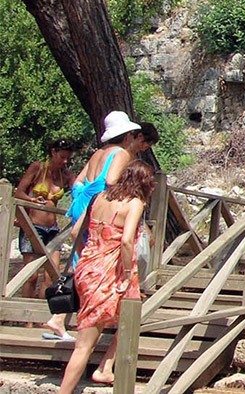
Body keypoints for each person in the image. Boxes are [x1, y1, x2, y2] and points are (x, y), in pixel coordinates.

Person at [44, 113, 156, 341]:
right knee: (97, 261)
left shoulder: (98, 153)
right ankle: (79, 316)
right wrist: (124, 200)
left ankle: (64, 316)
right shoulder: (121, 154)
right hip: (99, 208)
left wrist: (82, 200)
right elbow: (111, 181)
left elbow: (78, 183)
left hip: (83, 203)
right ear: (127, 136)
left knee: (83, 259)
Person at [58, 160, 154, 394]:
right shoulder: (134, 203)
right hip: (111, 272)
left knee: (129, 318)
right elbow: (126, 240)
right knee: (85, 345)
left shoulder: (99, 197)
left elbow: (74, 232)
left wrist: (90, 253)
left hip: (88, 266)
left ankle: (105, 367)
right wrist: (130, 273)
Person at [14, 139, 76, 300]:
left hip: (53, 230)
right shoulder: (38, 168)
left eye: (67, 158)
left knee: (52, 275)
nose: (65, 161)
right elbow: (18, 193)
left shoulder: (64, 175)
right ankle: (26, 319)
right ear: (53, 152)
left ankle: (40, 315)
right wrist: (32, 200)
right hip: (32, 227)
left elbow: (78, 190)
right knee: (31, 275)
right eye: (62, 157)